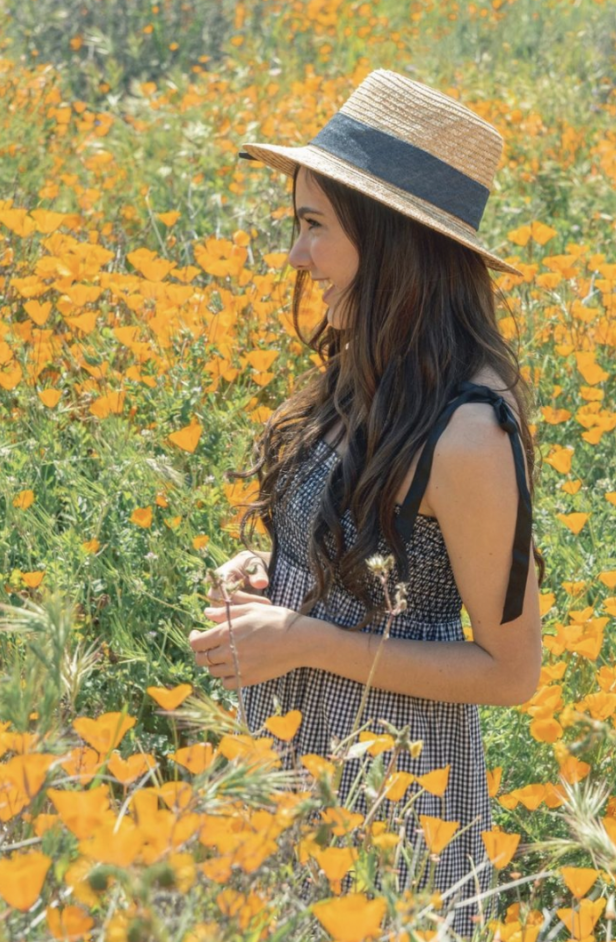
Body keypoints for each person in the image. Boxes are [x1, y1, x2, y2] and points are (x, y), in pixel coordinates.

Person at [189, 69, 545, 938]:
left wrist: (306, 637)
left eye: (313, 226)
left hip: (394, 802)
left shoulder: (468, 429)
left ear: (389, 241)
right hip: (297, 763)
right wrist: (282, 574)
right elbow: (372, 558)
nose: (295, 255)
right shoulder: (375, 367)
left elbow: (512, 671)